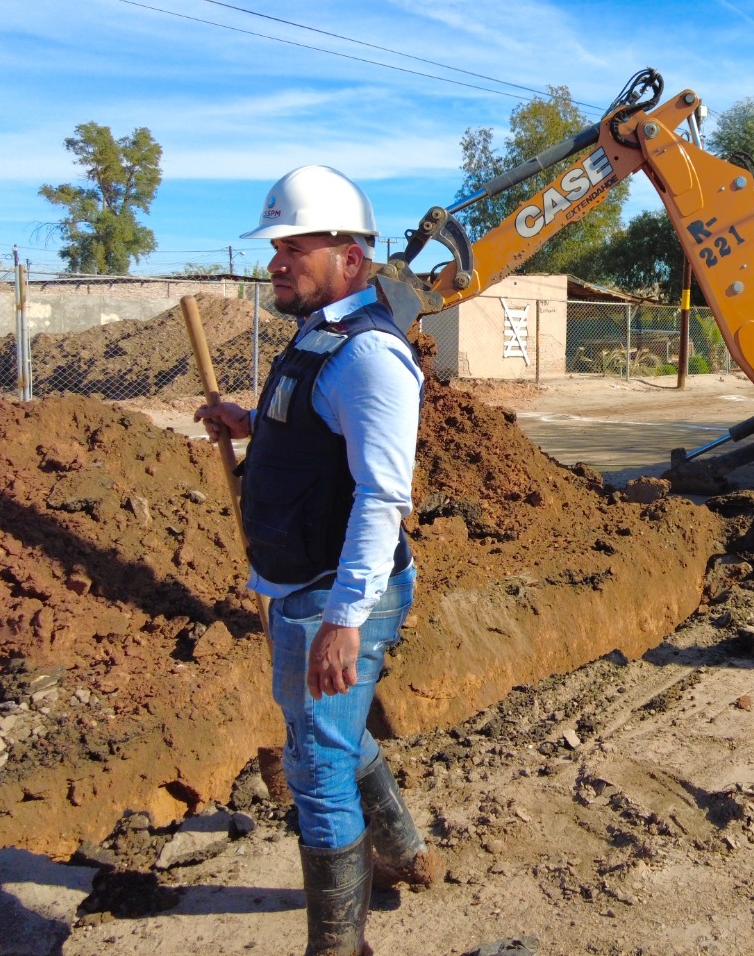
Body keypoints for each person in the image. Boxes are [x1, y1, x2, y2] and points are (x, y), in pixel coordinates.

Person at [196, 165, 431, 956]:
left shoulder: (370, 357)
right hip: (301, 584)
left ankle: (339, 948)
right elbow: (316, 446)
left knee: (317, 769)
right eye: (276, 249)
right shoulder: (316, 336)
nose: (276, 263)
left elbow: (379, 498)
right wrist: (249, 422)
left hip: (333, 592)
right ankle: (402, 853)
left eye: (295, 249)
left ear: (352, 260)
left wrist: (343, 621)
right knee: (328, 733)